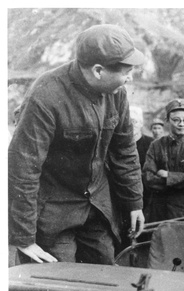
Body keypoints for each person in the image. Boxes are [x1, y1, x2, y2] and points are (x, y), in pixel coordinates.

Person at [8, 24, 145, 265]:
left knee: (105, 277)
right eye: (126, 71)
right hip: (54, 214)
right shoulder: (45, 95)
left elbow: (125, 152)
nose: (130, 78)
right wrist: (24, 237)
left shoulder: (117, 94)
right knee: (61, 284)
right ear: (99, 70)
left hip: (98, 210)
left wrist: (135, 204)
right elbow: (23, 167)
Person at [142, 98, 184, 222]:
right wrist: (182, 178)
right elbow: (148, 178)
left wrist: (167, 176)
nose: (181, 124)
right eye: (176, 120)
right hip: (161, 211)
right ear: (167, 120)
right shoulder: (156, 145)